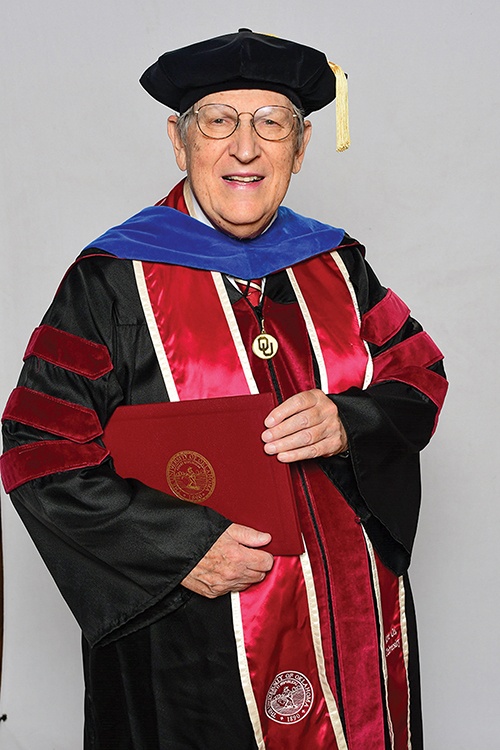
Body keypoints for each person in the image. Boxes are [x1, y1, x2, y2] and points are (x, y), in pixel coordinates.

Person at [0, 29, 447, 750]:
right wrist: (179, 551)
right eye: (219, 121)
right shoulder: (112, 279)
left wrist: (349, 419)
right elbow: (38, 451)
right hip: (199, 646)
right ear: (179, 142)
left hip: (356, 622)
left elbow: (418, 374)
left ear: (299, 149)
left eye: (271, 123)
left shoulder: (336, 265)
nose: (245, 148)